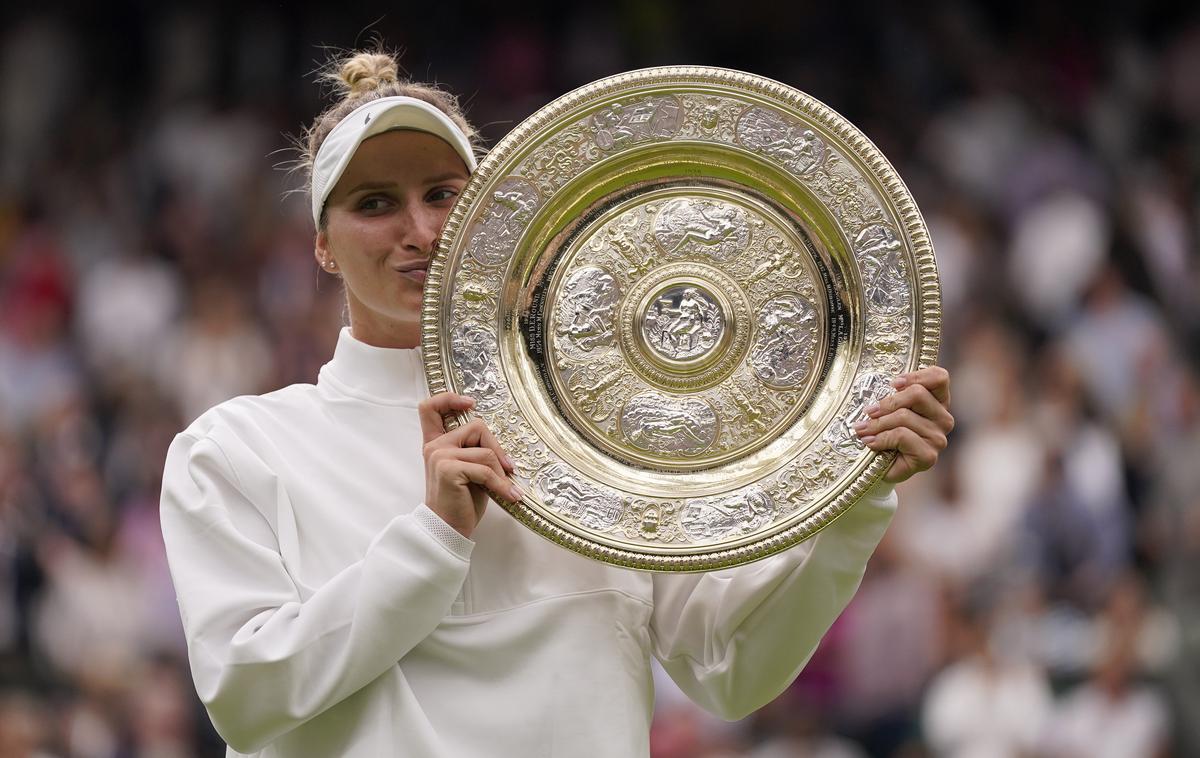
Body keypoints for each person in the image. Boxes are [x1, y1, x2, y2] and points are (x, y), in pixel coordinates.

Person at [159, 51, 954, 757]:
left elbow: (729, 672)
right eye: (374, 204)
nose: (420, 230)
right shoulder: (237, 449)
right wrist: (435, 540)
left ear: (496, 219)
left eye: (443, 194)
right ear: (322, 244)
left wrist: (856, 492)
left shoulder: (605, 433)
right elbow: (244, 696)